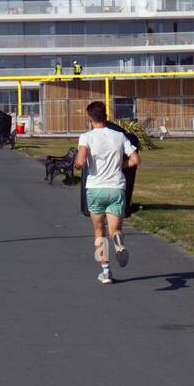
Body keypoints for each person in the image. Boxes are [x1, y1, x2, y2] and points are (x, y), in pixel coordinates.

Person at [74, 101, 139, 285]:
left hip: (95, 188)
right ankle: (118, 243)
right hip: (116, 188)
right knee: (115, 229)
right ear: (106, 116)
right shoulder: (119, 136)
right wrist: (120, 165)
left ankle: (105, 272)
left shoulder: (86, 137)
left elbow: (80, 160)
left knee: (98, 231)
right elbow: (135, 160)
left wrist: (78, 165)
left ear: (89, 117)